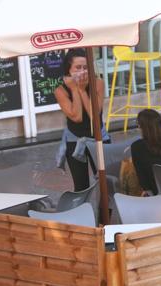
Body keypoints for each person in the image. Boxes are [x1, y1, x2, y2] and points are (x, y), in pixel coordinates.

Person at [55, 48, 110, 191]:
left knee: (106, 184)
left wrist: (81, 90)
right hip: (75, 139)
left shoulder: (98, 83)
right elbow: (77, 117)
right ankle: (83, 212)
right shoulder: (61, 90)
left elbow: (94, 116)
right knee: (81, 186)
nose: (82, 71)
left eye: (86, 67)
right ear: (69, 70)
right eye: (78, 67)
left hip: (98, 137)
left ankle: (103, 214)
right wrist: (74, 89)